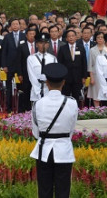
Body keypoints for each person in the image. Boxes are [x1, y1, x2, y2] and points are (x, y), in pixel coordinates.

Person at [30, 63, 78, 198]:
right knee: (63, 191)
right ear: (63, 82)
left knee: (44, 191)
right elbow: (71, 129)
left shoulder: (38, 104)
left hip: (44, 150)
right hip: (64, 149)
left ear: (47, 83)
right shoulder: (72, 103)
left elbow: (35, 132)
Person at [27, 32, 58, 104]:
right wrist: (38, 91)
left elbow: (55, 74)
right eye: (40, 43)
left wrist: (50, 89)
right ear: (37, 44)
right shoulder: (31, 58)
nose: (43, 45)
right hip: (36, 90)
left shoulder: (53, 58)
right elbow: (32, 76)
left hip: (49, 89)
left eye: (45, 43)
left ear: (48, 45)